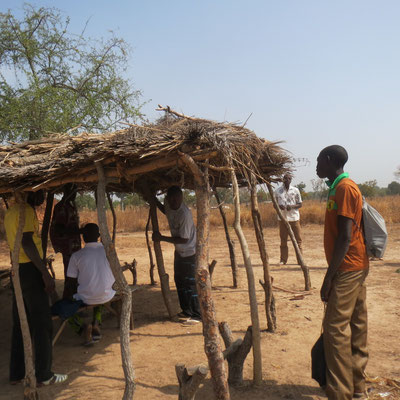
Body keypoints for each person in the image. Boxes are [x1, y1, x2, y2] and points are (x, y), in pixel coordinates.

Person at [316, 145, 369, 400]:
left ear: (329, 160)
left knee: (335, 329)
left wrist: (329, 278)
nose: (316, 166)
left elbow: (345, 237)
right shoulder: (338, 187)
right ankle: (358, 388)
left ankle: (340, 393)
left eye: (318, 161)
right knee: (357, 324)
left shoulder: (344, 188)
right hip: (355, 264)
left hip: (348, 267)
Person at [4, 190, 67, 386]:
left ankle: (16, 373)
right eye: (40, 192)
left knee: (21, 321)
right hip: (30, 269)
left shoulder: (11, 212)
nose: (43, 197)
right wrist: (44, 272)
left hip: (18, 270)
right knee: (42, 323)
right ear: (29, 193)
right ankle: (43, 374)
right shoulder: (27, 211)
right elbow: (27, 242)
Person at [151, 186, 201, 322]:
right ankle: (186, 311)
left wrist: (161, 238)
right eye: (171, 198)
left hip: (189, 252)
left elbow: (184, 239)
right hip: (179, 252)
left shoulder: (184, 214)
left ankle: (197, 314)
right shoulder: (169, 205)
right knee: (179, 281)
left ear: (181, 198)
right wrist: (154, 201)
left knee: (190, 284)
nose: (173, 201)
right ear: (167, 198)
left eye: (176, 198)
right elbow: (165, 210)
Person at [64, 223, 116, 344]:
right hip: (107, 294)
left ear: (83, 237)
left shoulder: (76, 256)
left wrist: (71, 297)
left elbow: (71, 282)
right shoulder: (109, 252)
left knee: (63, 311)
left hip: (86, 298)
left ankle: (83, 329)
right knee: (99, 295)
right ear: (98, 235)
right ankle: (96, 323)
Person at [50, 183, 81, 298]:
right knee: (71, 275)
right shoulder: (62, 207)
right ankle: (69, 300)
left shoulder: (69, 206)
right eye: (74, 191)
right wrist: (79, 232)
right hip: (68, 248)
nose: (75, 194)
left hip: (72, 247)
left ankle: (73, 299)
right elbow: (59, 229)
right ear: (68, 191)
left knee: (74, 274)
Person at [274, 173, 303, 265]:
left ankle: (300, 260)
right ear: (283, 179)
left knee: (298, 240)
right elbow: (274, 204)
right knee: (283, 240)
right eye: (285, 178)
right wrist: (279, 206)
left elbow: (300, 204)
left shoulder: (295, 190)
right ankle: (283, 260)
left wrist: (292, 206)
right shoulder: (277, 191)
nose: (287, 180)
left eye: (289, 178)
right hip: (282, 219)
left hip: (294, 218)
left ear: (291, 180)